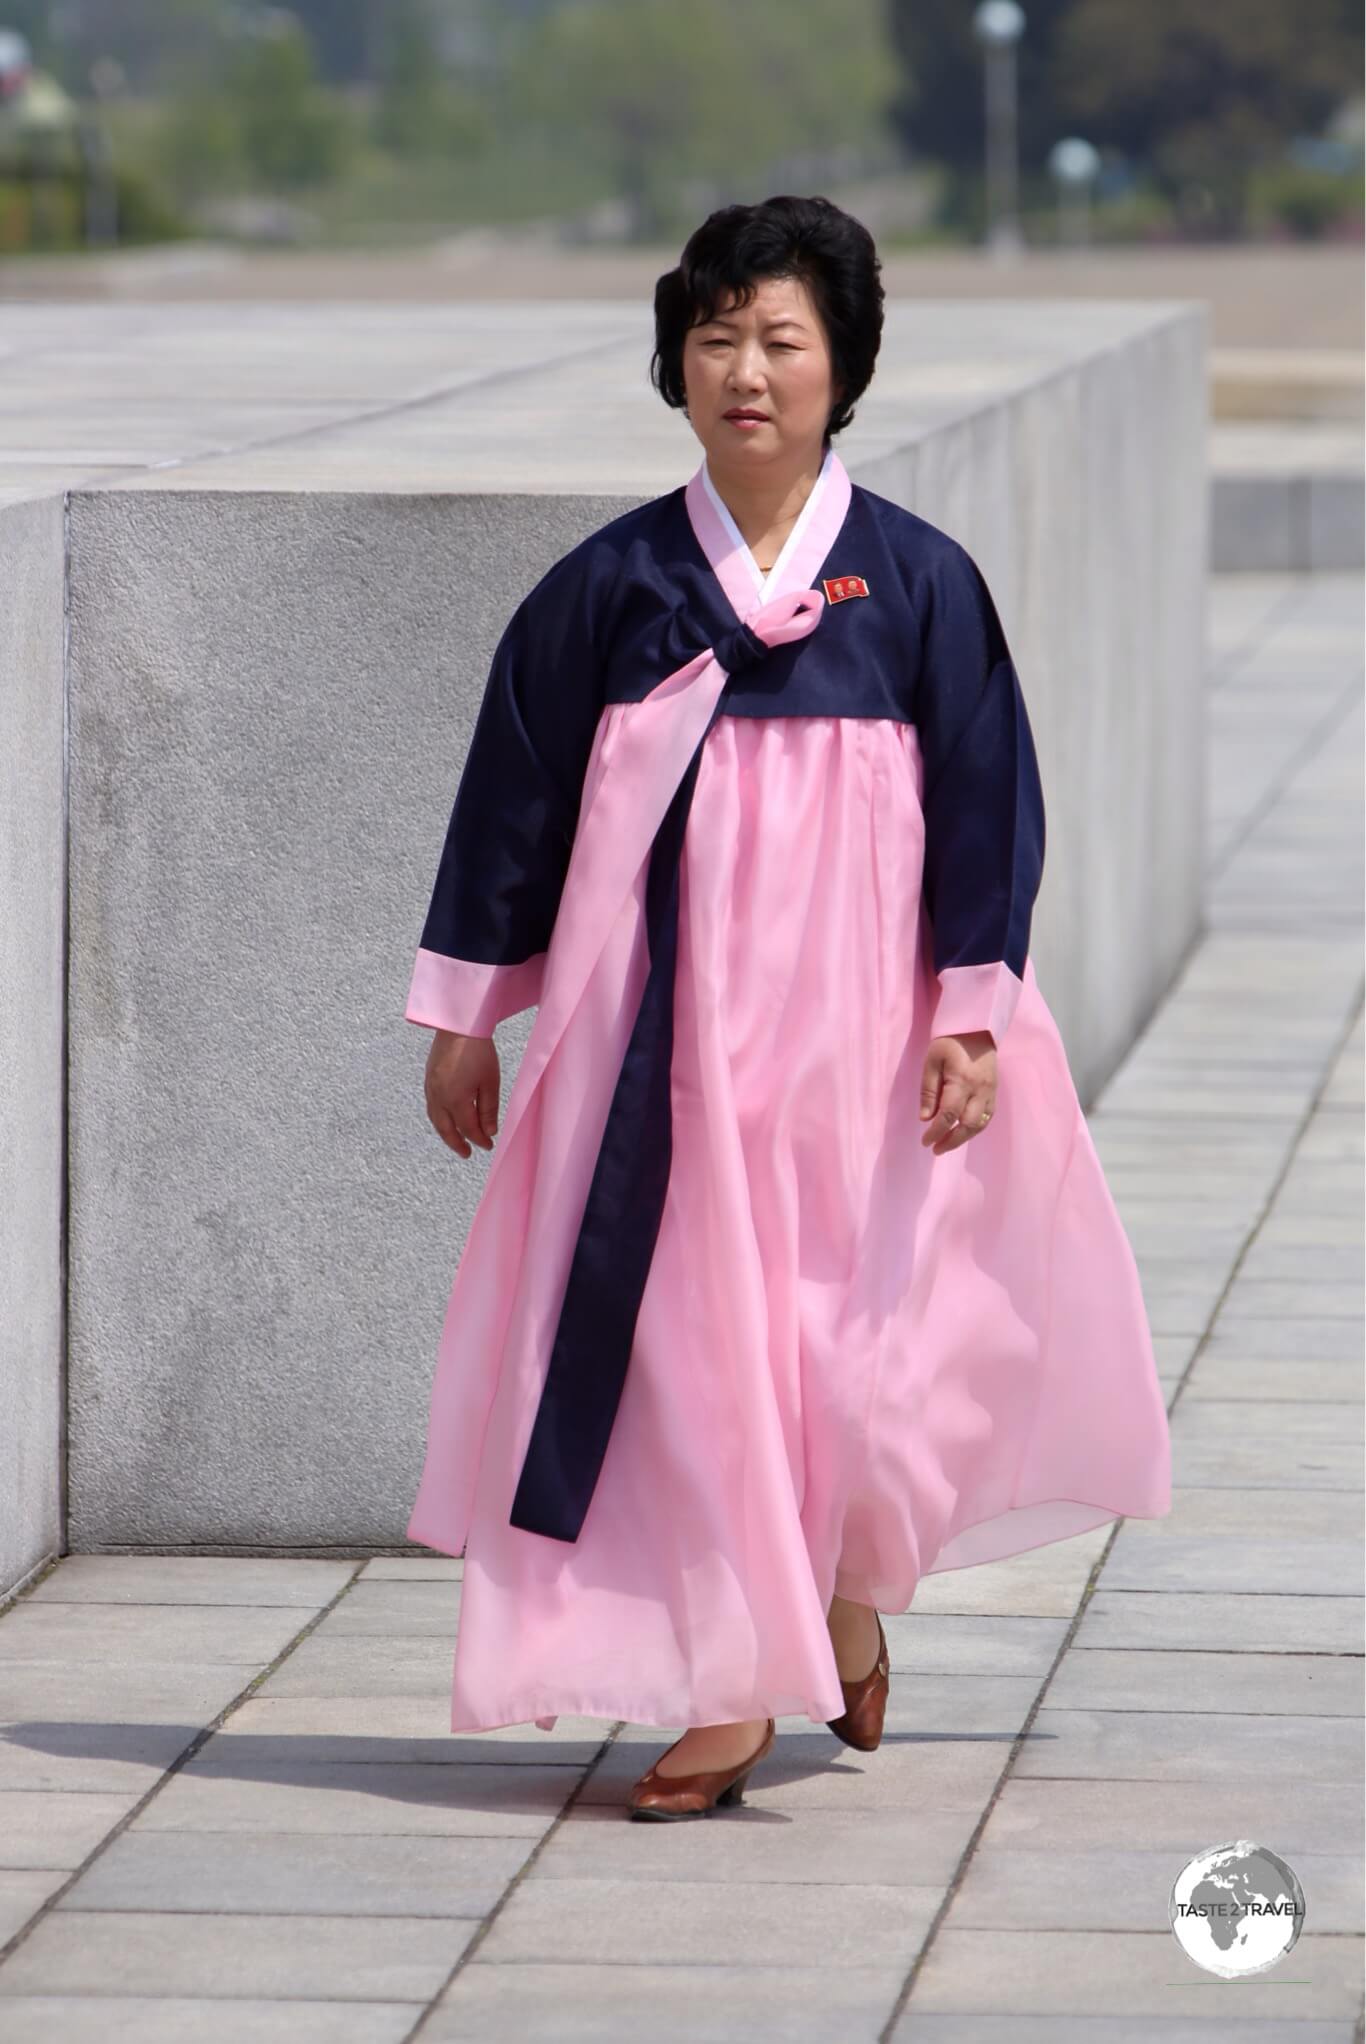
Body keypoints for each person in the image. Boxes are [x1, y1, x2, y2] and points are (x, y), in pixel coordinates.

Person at [403, 195, 1171, 1822]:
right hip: (654, 1052)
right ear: (674, 364)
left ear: (841, 371)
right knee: (692, 1346)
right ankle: (741, 1686)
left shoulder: (912, 586)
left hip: (849, 1038)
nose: (743, 372)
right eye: (714, 339)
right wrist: (471, 1015)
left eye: (779, 341)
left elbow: (986, 806)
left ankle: (830, 1599)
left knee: (845, 1339)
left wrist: (967, 1013)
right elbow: (513, 807)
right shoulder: (608, 588)